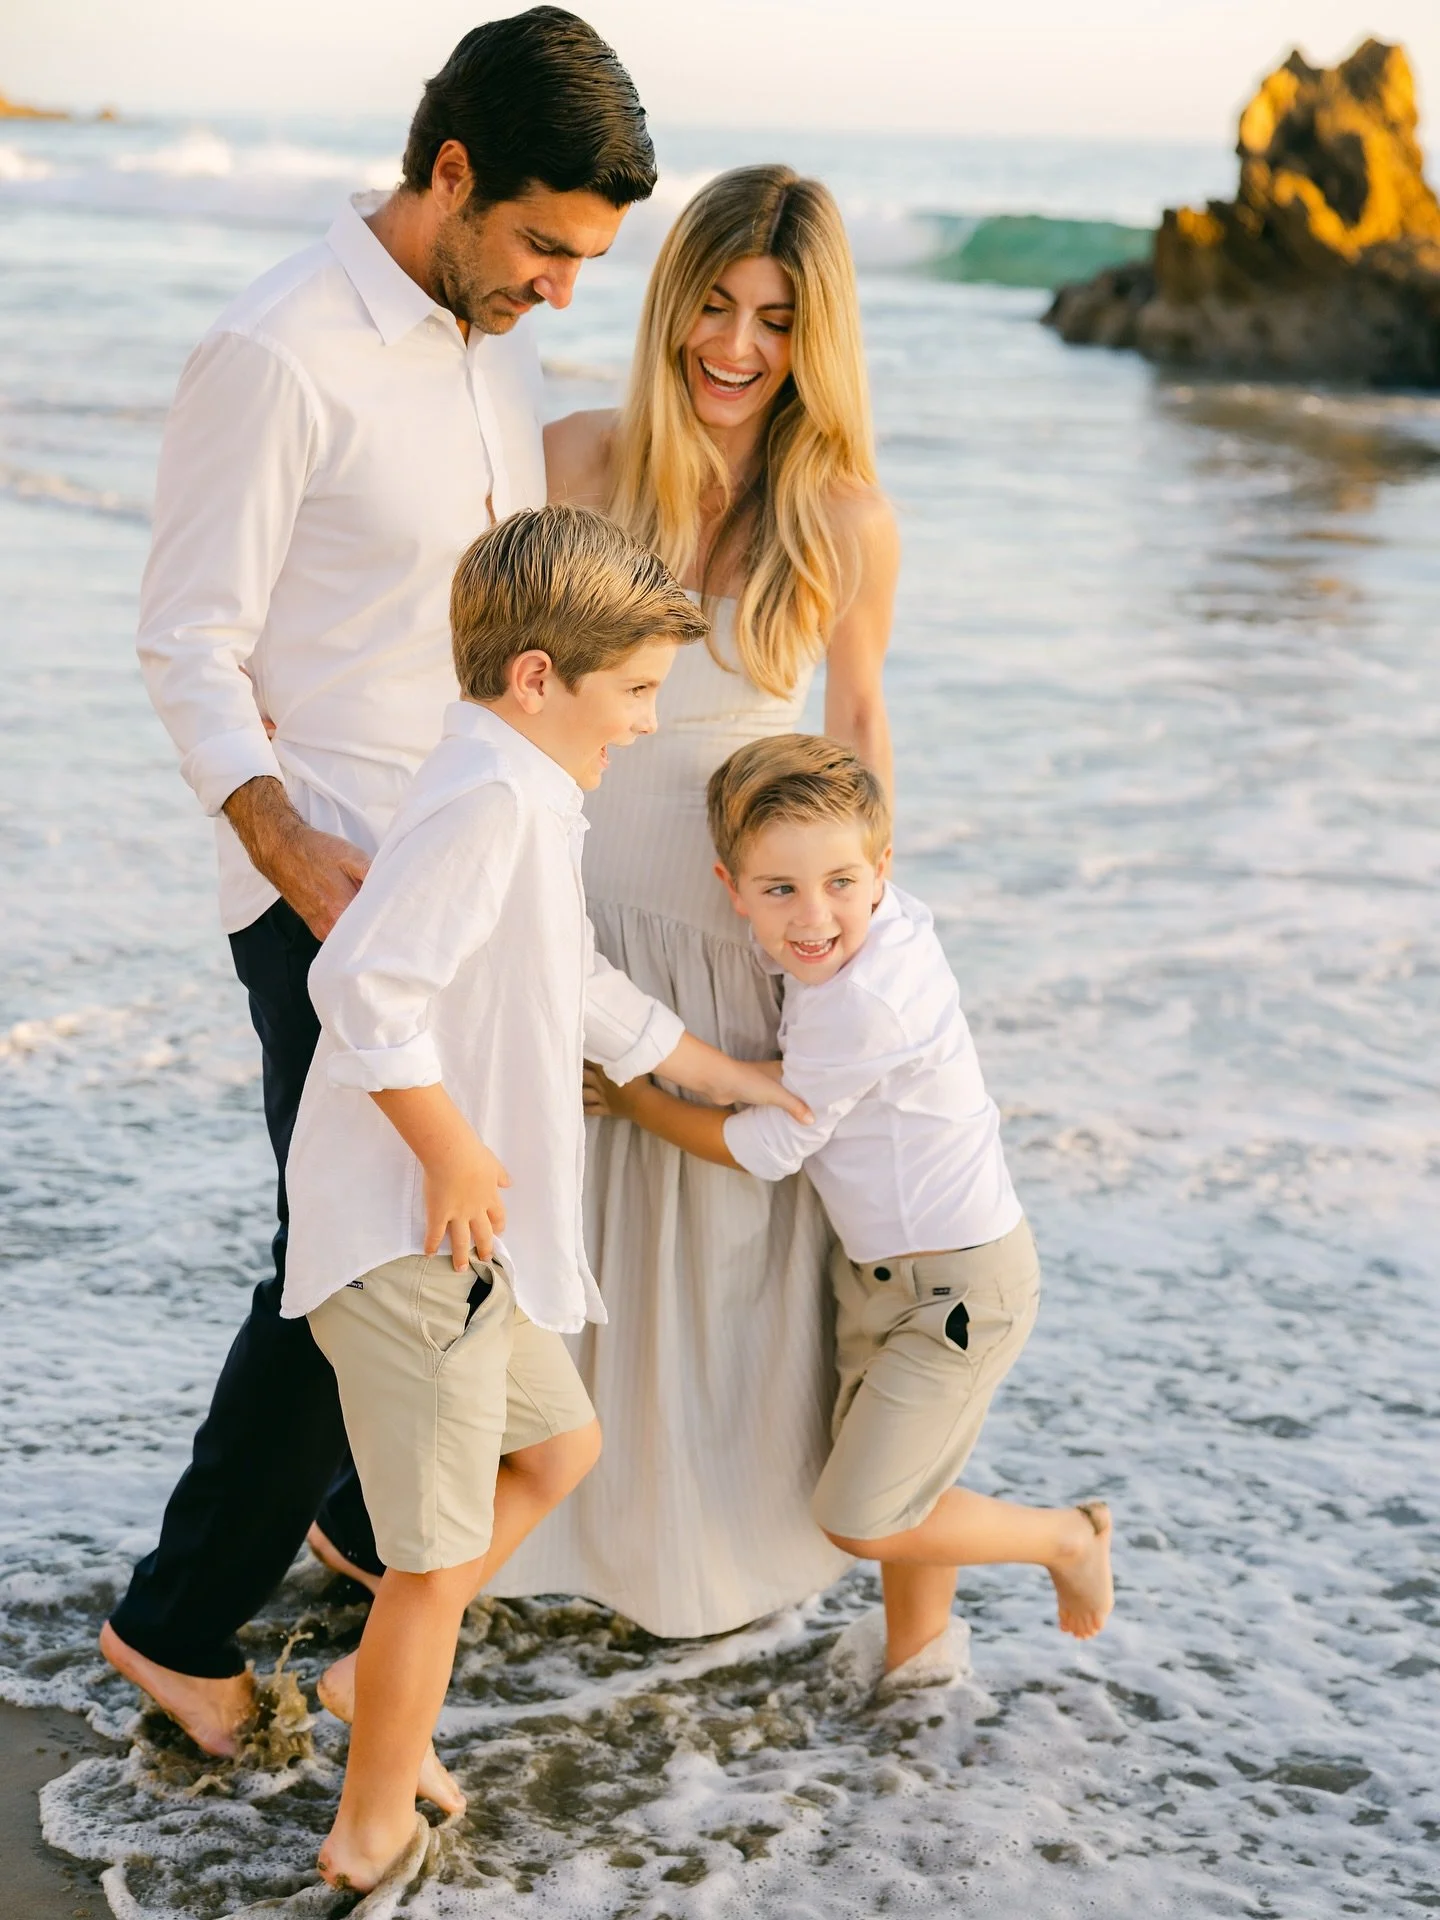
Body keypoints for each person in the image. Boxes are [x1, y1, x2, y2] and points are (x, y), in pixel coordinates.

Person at [102, 7, 658, 1757]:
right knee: (341, 1253)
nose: (564, 289)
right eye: (548, 248)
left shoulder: (484, 339)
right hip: (329, 891)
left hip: (469, 881)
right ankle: (179, 1629)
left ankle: (352, 1527)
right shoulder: (277, 352)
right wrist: (280, 841)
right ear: (452, 173)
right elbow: (187, 641)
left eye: (592, 261)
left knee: (423, 1232)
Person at [277, 508, 810, 1891]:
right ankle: (367, 1823)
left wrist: (727, 1074)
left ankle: (371, 1686)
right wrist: (451, 1149)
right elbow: (359, 985)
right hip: (412, 1240)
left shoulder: (522, 788)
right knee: (437, 1561)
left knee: (556, 1456)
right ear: (534, 676)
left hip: (467, 1246)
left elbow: (573, 985)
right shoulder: (486, 799)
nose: (647, 721)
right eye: (634, 690)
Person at [496, 164, 901, 1635]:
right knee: (571, 1236)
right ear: (671, 301)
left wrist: (859, 957)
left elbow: (858, 735)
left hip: (739, 935)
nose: (736, 345)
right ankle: (536, 1551)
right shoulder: (579, 461)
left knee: (724, 1261)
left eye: (776, 320)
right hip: (581, 926)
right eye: (715, 305)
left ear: (818, 335)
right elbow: (482, 690)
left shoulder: (843, 518)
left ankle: (703, 1566)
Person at [585, 734, 1115, 1692]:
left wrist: (634, 1101)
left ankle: (1064, 1537)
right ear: (729, 886)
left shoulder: (858, 1002)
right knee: (913, 1484)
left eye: (838, 882)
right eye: (779, 889)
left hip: (956, 1290)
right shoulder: (885, 931)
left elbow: (769, 1145)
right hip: (886, 1274)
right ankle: (919, 1673)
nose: (814, 916)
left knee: (865, 1517)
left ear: (881, 871)